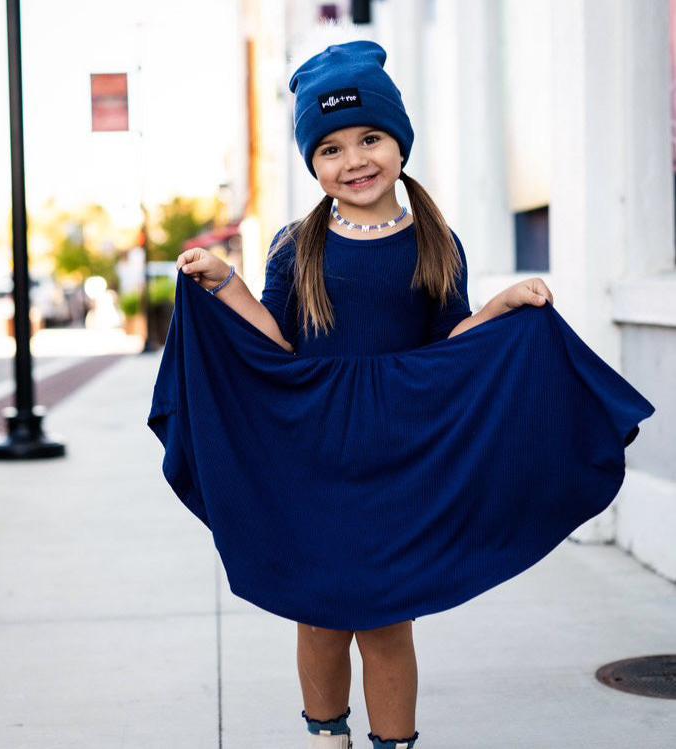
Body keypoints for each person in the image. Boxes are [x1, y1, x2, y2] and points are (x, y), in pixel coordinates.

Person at [157, 40, 654, 749]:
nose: (354, 159)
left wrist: (503, 308)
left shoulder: (432, 240)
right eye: (329, 148)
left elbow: (450, 344)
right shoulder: (297, 246)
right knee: (321, 615)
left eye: (370, 138)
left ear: (399, 142)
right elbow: (276, 340)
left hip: (398, 452)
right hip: (315, 455)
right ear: (312, 162)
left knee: (389, 619)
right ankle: (327, 736)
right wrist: (223, 283)